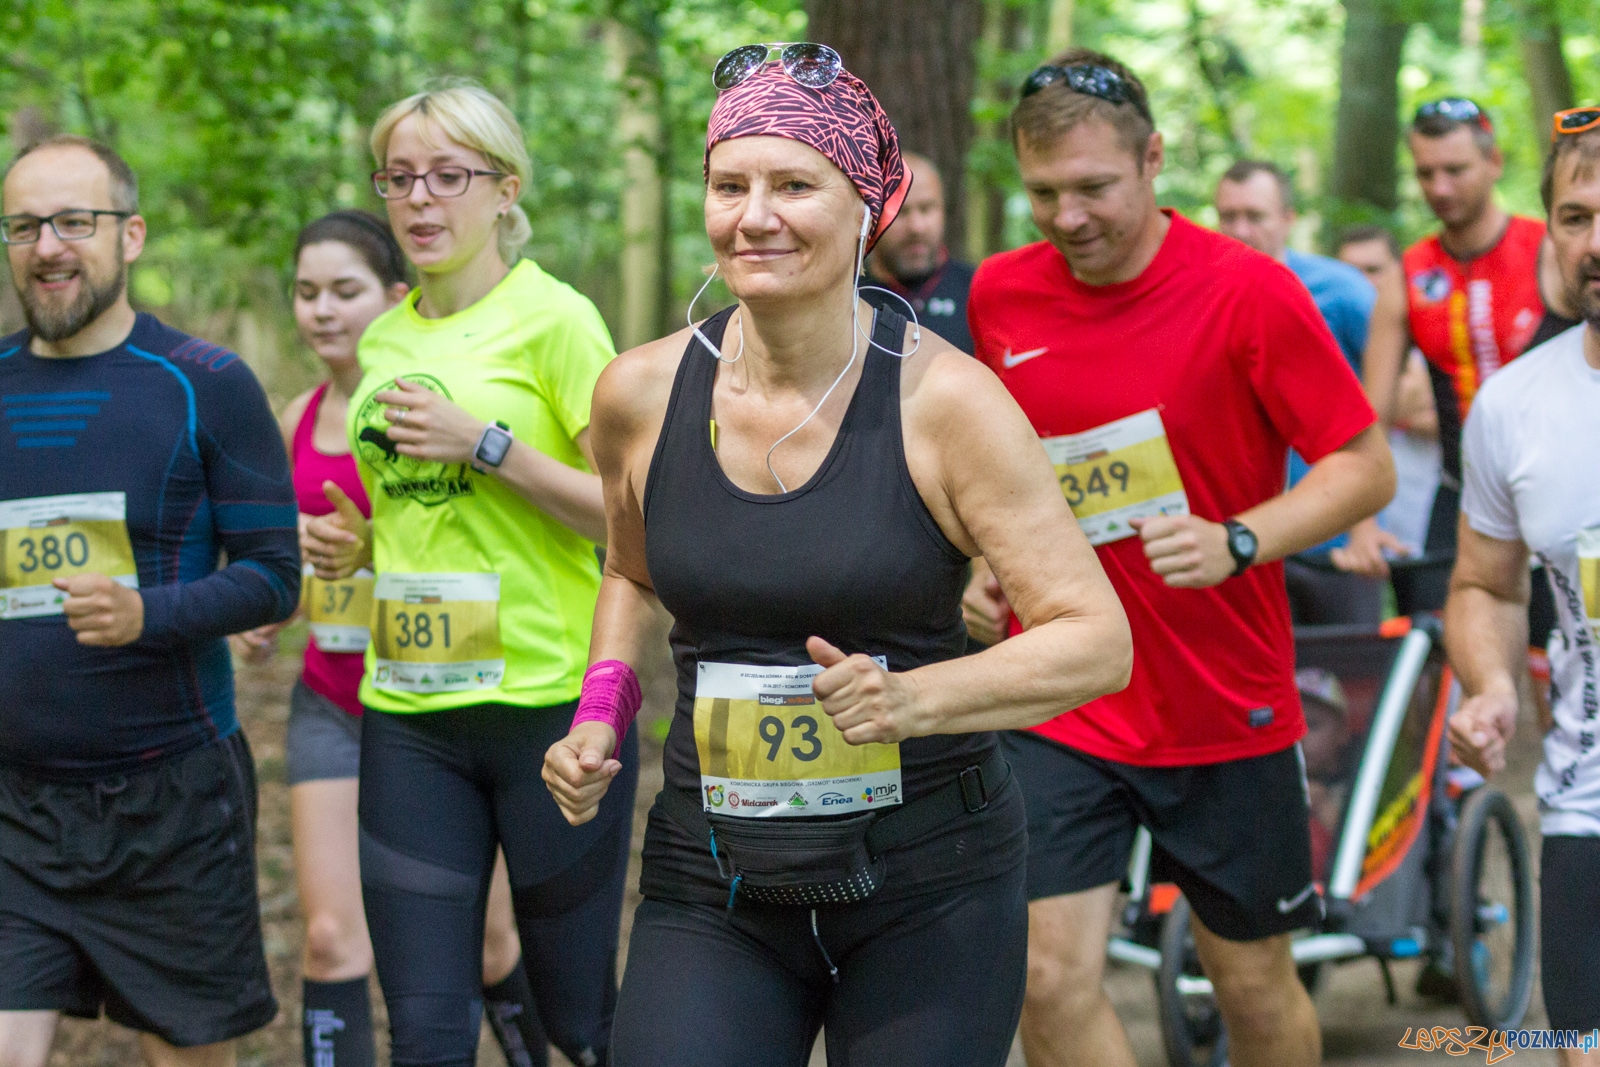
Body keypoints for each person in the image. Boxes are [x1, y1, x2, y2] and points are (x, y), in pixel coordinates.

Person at [541, 43, 1131, 1067]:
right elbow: (630, 571)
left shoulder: (948, 402)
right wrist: (601, 708)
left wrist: (912, 699)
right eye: (730, 185)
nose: (753, 216)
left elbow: (1095, 640)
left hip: (927, 879)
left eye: (793, 186)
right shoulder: (638, 392)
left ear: (868, 207)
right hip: (714, 869)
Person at [964, 48, 1394, 1067]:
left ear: (1153, 160)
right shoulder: (1001, 294)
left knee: (1250, 985)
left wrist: (1239, 538)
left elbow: (1364, 466)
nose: (1068, 217)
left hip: (1221, 698)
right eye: (1043, 193)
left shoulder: (1248, 290)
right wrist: (984, 556)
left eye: (1093, 187)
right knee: (1043, 977)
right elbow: (998, 464)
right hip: (1063, 690)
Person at [301, 83, 631, 1067]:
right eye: (399, 177)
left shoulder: (558, 320)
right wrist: (365, 546)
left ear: (504, 188)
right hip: (409, 714)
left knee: (579, 1021)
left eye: (448, 175)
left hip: (547, 710)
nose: (420, 198)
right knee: (428, 1031)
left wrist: (486, 443)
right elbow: (425, 512)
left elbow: (630, 519)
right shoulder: (383, 338)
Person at [0, 136, 299, 1066]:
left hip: (170, 802)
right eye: (24, 226)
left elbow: (274, 573)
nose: (48, 246)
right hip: (12, 803)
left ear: (129, 236)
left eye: (73, 222)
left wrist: (145, 616)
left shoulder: (206, 382)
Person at [232, 211, 551, 1067]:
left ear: (395, 297)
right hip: (334, 702)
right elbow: (290, 559)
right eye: (307, 292)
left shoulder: (442, 406)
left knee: (489, 942)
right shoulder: (295, 417)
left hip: (444, 704)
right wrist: (273, 606)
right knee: (330, 938)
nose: (322, 310)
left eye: (345, 290)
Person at [1444, 113, 1600, 1066]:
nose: (1597, 242)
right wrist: (1493, 684)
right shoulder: (1513, 406)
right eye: (1576, 217)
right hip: (1588, 805)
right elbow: (1485, 585)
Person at [1354, 98, 1545, 584]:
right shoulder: (1408, 274)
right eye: (1426, 173)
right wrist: (1361, 523)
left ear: (1494, 161)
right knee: (1442, 622)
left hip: (1560, 486)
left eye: (1455, 170)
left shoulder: (1549, 249)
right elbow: (1369, 415)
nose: (1439, 188)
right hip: (1463, 494)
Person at [1215, 159, 1381, 625]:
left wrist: (1366, 524)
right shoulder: (1200, 296)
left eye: (1255, 215)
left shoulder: (1340, 289)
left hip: (1334, 537)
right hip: (1237, 540)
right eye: (1228, 216)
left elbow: (1398, 392)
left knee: (1349, 667)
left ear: (1288, 219)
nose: (1240, 230)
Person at [1337, 225, 1443, 562]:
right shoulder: (1333, 338)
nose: (1362, 282)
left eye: (1373, 270)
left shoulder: (1428, 333)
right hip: (1362, 522)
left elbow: (1452, 413)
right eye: (1349, 273)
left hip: (1425, 514)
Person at [860, 152, 975, 353]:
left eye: (926, 208)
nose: (916, 227)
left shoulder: (976, 291)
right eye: (901, 211)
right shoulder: (850, 295)